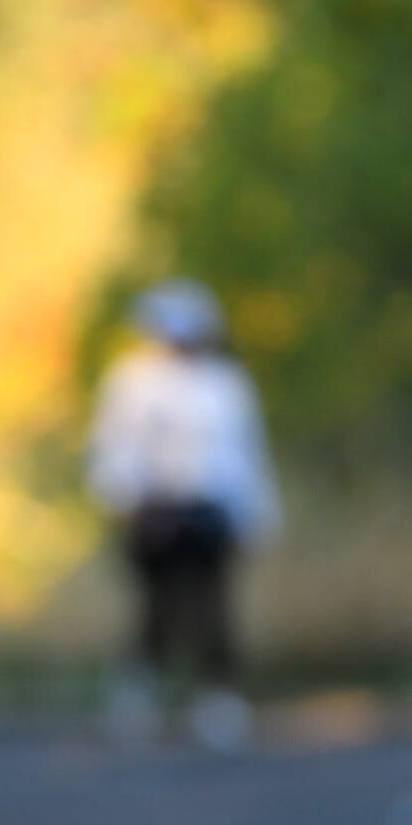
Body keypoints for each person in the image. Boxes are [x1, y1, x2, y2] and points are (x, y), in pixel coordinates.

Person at [86, 278, 279, 749]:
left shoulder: (225, 383)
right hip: (154, 512)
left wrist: (255, 515)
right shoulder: (131, 380)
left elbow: (243, 454)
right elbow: (114, 447)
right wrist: (126, 499)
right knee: (155, 609)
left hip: (208, 512)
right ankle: (140, 698)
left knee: (211, 610)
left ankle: (218, 702)